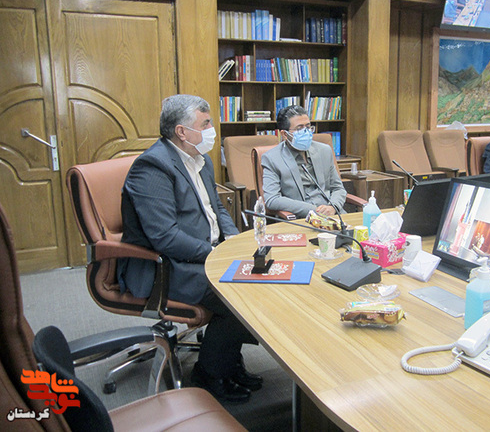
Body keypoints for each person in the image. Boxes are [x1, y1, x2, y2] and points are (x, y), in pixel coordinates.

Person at [117, 94, 261, 403]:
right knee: (239, 295)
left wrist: (234, 240)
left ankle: (228, 363)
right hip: (165, 266)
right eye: (205, 124)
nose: (212, 130)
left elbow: (217, 209)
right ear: (181, 131)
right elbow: (165, 237)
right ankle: (208, 374)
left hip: (203, 254)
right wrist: (217, 254)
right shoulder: (152, 167)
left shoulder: (201, 159)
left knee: (260, 280)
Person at [261, 105, 347, 219]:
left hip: (333, 214)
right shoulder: (272, 158)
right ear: (285, 134)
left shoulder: (324, 151)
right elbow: (272, 199)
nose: (306, 132)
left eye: (308, 127)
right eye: (299, 128)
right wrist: (313, 210)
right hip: (301, 218)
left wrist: (333, 206)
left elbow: (338, 188)